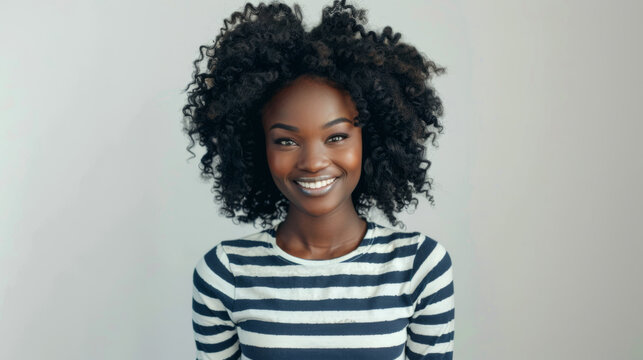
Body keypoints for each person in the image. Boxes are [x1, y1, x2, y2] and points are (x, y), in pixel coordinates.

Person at [182, 1, 454, 359]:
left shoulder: (419, 265)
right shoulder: (225, 272)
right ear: (255, 147)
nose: (312, 162)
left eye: (337, 137)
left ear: (369, 141)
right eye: (286, 141)